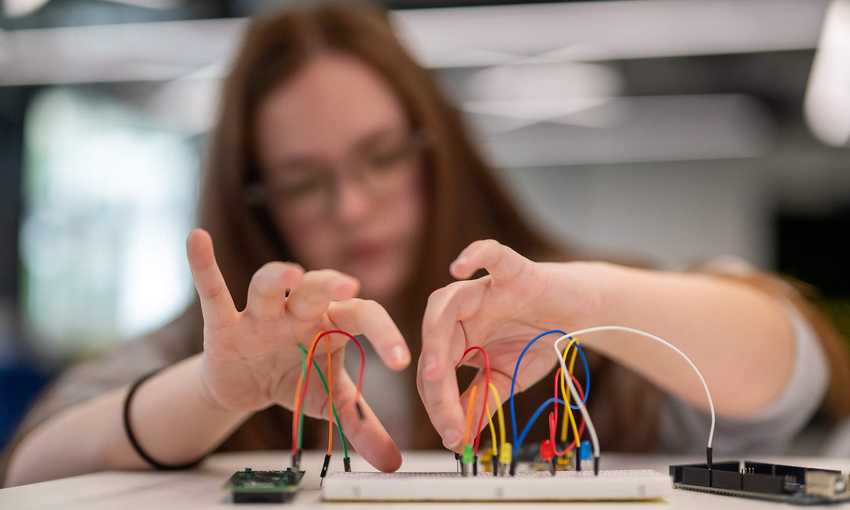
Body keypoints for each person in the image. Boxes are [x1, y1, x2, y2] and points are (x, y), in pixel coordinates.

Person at [3, 1, 849, 487]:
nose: (354, 204)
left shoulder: (578, 320)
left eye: (382, 156)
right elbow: (36, 467)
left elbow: (799, 371)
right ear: (253, 197)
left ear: (435, 148)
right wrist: (219, 390)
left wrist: (586, 304)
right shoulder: (201, 354)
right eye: (303, 178)